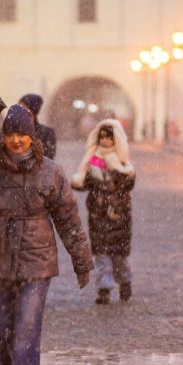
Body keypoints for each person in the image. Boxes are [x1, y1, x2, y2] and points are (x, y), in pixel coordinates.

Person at [0, 105, 93, 365]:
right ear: (3, 137)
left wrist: (81, 260)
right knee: (0, 328)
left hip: (37, 260)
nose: (17, 140)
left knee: (27, 326)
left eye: (23, 134)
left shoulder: (51, 172)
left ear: (32, 136)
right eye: (11, 134)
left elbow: (68, 220)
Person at [71, 119, 135, 306]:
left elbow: (128, 184)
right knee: (101, 255)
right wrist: (79, 182)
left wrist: (116, 172)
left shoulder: (123, 162)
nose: (105, 142)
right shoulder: (93, 161)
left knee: (119, 257)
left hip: (118, 216)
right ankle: (104, 289)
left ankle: (125, 281)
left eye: (109, 138)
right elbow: (86, 184)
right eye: (102, 138)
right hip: (98, 216)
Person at [19, 94, 57, 160]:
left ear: (33, 111)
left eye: (23, 108)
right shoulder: (7, 130)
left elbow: (47, 159)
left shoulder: (47, 133)